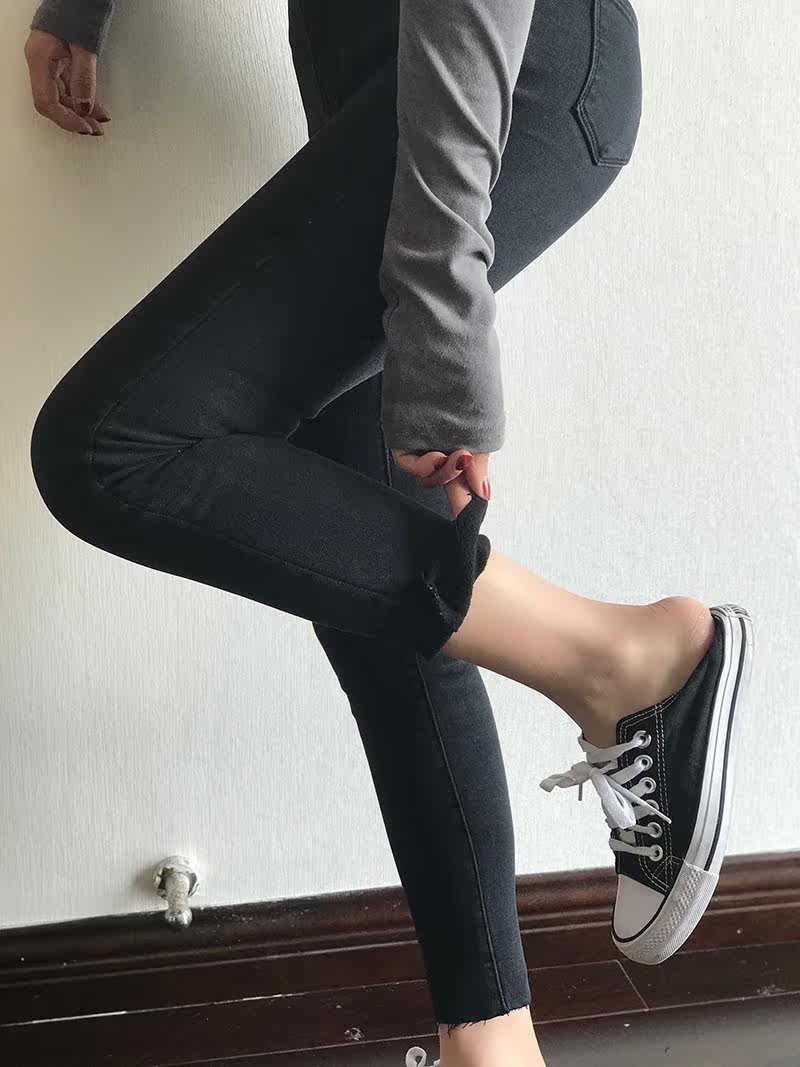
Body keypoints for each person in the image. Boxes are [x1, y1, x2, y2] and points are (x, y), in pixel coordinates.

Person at [24, 1, 754, 1064]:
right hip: (386, 89)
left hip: (494, 70)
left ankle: (618, 658)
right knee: (376, 593)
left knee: (108, 449)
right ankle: (490, 1045)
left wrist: (437, 322)